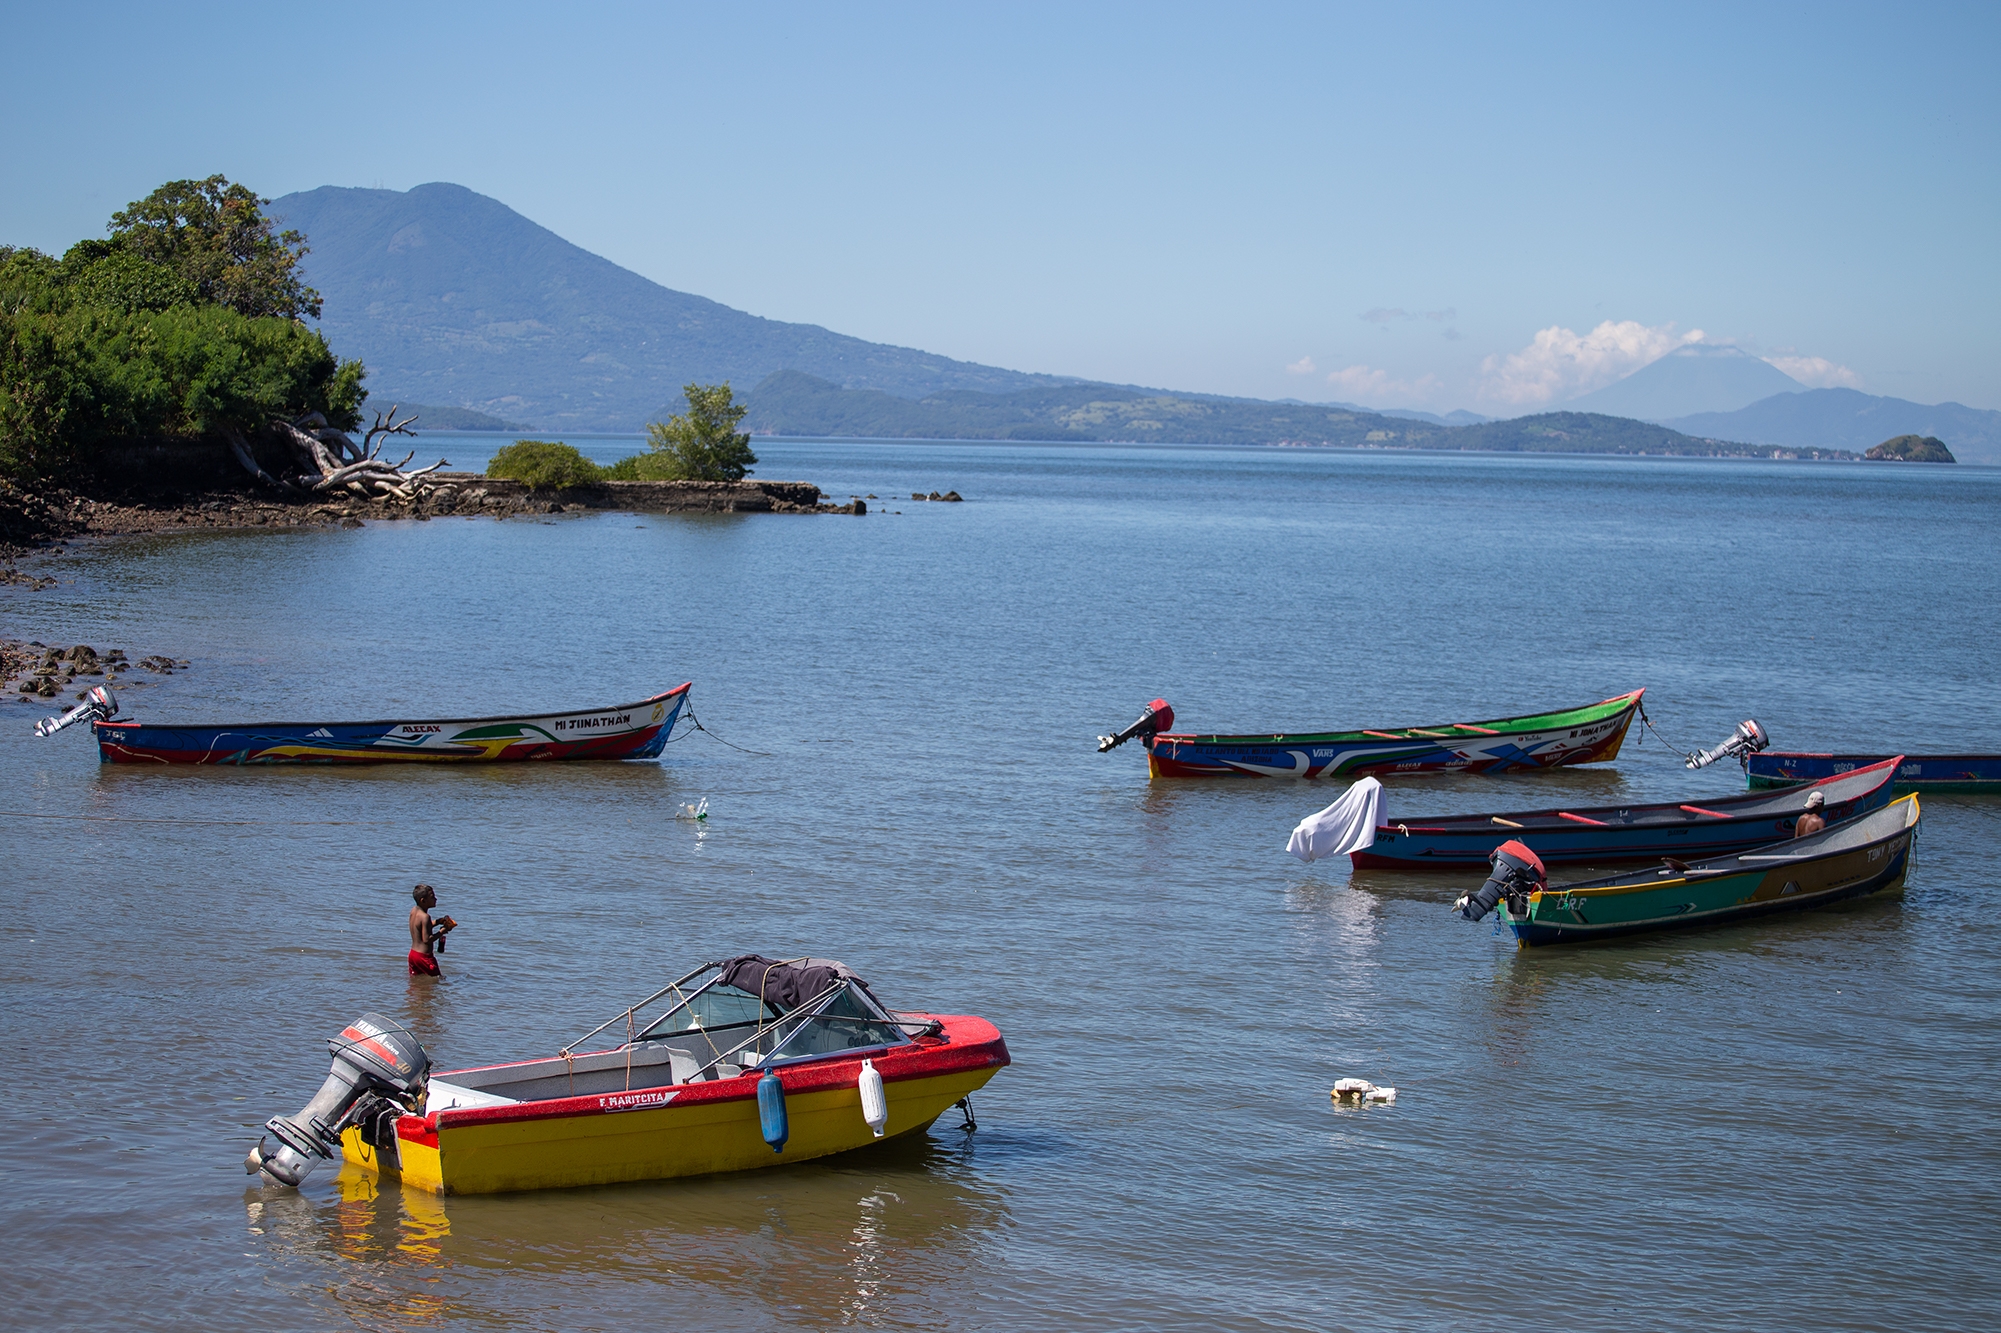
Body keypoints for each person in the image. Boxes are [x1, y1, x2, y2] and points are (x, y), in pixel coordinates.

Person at [408, 884, 458, 976]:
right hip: (424, 957)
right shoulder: (425, 917)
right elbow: (427, 940)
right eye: (432, 897)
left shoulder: (414, 911)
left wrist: (438, 921)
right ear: (423, 901)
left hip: (413, 955)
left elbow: (423, 926)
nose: (436, 899)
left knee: (416, 981)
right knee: (437, 979)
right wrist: (442, 931)